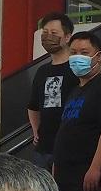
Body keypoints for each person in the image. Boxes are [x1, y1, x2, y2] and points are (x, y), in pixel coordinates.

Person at [53, 30, 101, 191]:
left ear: (97, 57)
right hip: (64, 179)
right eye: (73, 53)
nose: (77, 57)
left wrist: (95, 168)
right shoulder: (74, 92)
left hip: (86, 179)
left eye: (84, 53)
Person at [26, 12, 79, 170]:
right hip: (43, 149)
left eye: (54, 33)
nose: (48, 37)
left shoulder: (77, 68)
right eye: (45, 33)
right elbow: (33, 105)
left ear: (68, 37)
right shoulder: (42, 71)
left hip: (70, 147)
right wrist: (36, 130)